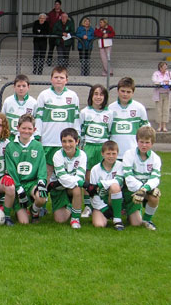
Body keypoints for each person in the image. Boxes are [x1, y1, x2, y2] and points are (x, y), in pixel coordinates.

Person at [35, 66, 80, 182]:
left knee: (65, 172)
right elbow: (39, 117)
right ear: (51, 79)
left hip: (66, 142)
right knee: (47, 172)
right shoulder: (44, 95)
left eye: (61, 77)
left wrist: (77, 135)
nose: (58, 80)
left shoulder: (73, 96)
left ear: (67, 80)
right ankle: (42, 197)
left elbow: (76, 118)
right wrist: (37, 134)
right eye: (56, 77)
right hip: (48, 140)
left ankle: (63, 199)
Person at [5, 114, 47, 224]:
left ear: (34, 130)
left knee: (41, 197)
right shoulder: (10, 146)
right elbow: (11, 169)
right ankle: (18, 208)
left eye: (29, 129)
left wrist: (41, 182)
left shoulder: (38, 146)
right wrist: (18, 188)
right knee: (24, 222)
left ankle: (34, 211)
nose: (26, 131)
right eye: (23, 128)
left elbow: (42, 166)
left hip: (32, 183)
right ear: (18, 128)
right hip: (18, 184)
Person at [80, 84, 113, 218]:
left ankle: (100, 204)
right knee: (88, 177)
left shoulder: (109, 113)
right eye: (96, 94)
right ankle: (88, 206)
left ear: (104, 97)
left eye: (101, 94)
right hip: (89, 147)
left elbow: (110, 132)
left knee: (102, 176)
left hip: (102, 147)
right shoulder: (84, 112)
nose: (98, 97)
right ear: (91, 96)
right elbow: (81, 132)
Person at [122, 126, 161, 231]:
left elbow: (155, 178)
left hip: (144, 190)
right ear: (137, 141)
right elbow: (128, 178)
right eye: (141, 142)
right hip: (130, 191)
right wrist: (141, 189)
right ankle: (127, 209)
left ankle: (147, 220)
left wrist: (144, 189)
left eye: (147, 142)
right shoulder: (129, 154)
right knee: (135, 224)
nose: (144, 145)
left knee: (155, 195)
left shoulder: (156, 158)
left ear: (152, 143)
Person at [47, 128, 87, 229]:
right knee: (60, 219)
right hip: (58, 188)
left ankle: (75, 219)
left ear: (77, 142)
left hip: (71, 188)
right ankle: (70, 205)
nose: (67, 144)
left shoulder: (82, 155)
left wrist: (79, 182)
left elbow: (80, 176)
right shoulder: (57, 155)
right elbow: (62, 177)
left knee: (77, 189)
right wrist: (82, 183)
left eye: (70, 141)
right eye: (64, 141)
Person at [84, 140, 125, 231]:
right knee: (99, 225)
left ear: (117, 154)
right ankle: (107, 213)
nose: (111, 156)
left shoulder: (120, 165)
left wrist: (100, 184)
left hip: (114, 199)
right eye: (108, 153)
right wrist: (103, 208)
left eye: (113, 153)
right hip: (100, 201)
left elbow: (119, 181)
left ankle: (117, 220)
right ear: (102, 154)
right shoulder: (95, 169)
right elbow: (92, 192)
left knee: (115, 186)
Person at [108, 77, 149, 159]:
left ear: (133, 93)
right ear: (117, 91)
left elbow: (145, 132)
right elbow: (107, 132)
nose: (125, 94)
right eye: (122, 91)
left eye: (128, 92)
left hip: (133, 154)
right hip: (114, 154)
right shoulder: (110, 108)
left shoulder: (139, 108)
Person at [1, 74, 37, 140]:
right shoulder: (8, 101)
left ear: (28, 87)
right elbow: (3, 120)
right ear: (14, 87)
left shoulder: (33, 103)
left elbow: (36, 122)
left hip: (26, 138)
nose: (21, 88)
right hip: (10, 137)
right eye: (18, 86)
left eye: (24, 86)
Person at [152, 61, 171, 132]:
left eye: (166, 67)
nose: (166, 68)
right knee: (159, 110)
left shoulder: (169, 73)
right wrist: (164, 81)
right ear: (160, 67)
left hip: (167, 93)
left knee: (165, 109)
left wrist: (168, 81)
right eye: (164, 67)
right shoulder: (156, 73)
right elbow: (155, 81)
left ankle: (164, 126)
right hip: (159, 93)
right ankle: (159, 126)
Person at [46, 0, 64, 66]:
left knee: (59, 49)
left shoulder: (62, 14)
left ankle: (60, 63)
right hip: (51, 33)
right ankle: (49, 61)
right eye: (55, 4)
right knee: (51, 48)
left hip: (59, 34)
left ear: (60, 5)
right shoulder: (50, 13)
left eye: (58, 4)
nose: (56, 5)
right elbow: (47, 22)